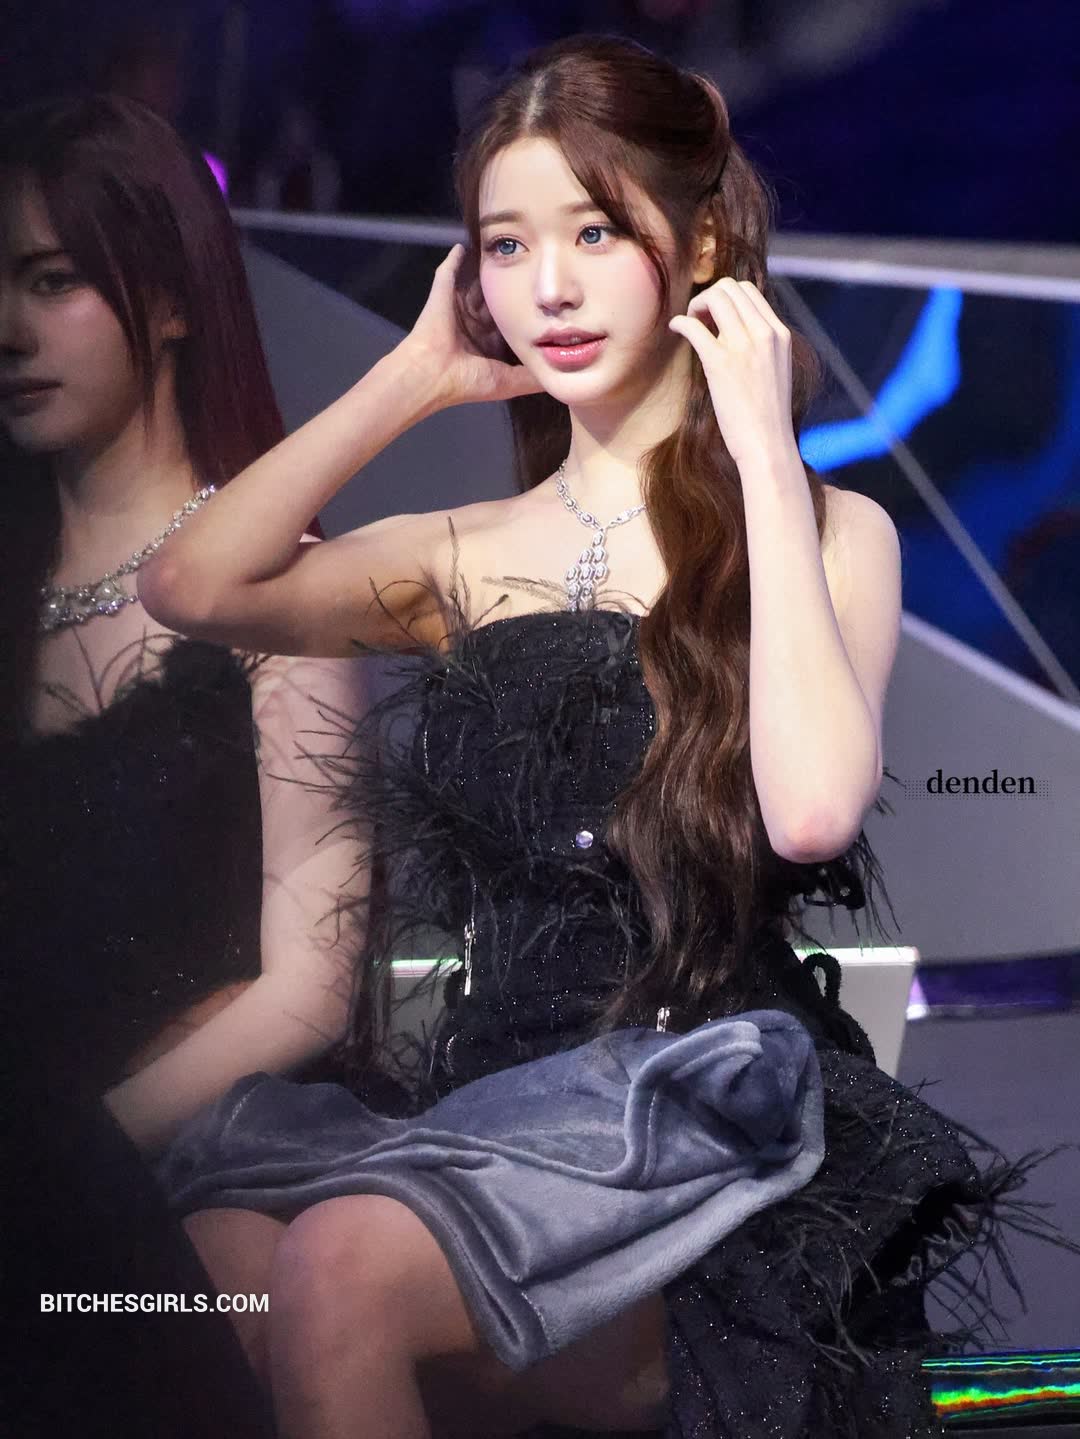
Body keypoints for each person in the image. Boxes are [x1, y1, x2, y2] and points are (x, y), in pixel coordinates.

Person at [139, 36, 1032, 1439]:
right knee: (216, 1253)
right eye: (506, 244)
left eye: (596, 232)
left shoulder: (825, 532)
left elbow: (809, 813)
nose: (546, 286)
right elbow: (191, 586)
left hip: (696, 1123)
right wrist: (413, 374)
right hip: (485, 1115)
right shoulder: (460, 550)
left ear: (701, 244)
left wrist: (760, 448)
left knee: (333, 1266)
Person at [0, 93, 364, 1159]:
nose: (8, 330)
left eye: (52, 281)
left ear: (168, 298)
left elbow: (310, 991)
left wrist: (64, 1167)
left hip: (190, 1162)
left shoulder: (277, 595)